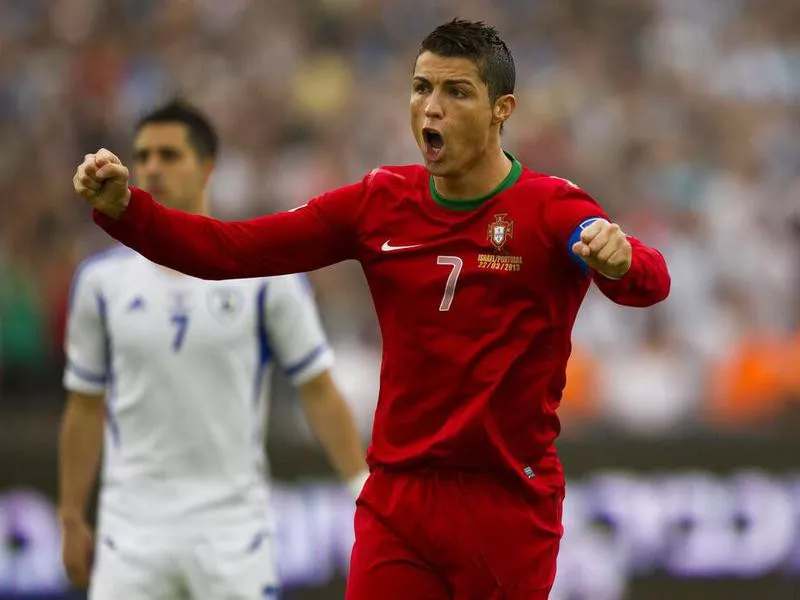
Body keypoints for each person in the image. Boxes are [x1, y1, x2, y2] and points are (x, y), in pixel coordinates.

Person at [73, 20, 671, 600]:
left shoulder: (550, 208)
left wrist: (622, 262)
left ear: (502, 109)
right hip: (400, 503)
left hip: (508, 503)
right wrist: (129, 210)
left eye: (457, 92)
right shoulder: (379, 202)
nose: (431, 108)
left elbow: (649, 279)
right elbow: (230, 251)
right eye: (421, 87)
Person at [60, 101, 368, 599]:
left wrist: (360, 490)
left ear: (207, 167)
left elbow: (317, 388)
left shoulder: (264, 276)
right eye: (143, 156)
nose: (152, 168)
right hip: (130, 531)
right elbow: (84, 404)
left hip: (233, 533)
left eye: (169, 155)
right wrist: (71, 515)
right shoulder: (100, 281)